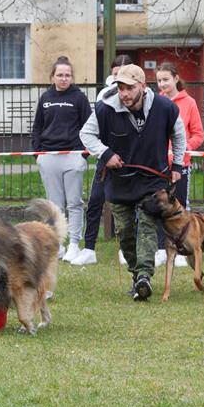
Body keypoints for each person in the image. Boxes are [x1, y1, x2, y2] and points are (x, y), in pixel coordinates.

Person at [80, 64, 186, 301]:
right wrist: (105, 154)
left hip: (152, 179)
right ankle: (137, 276)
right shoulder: (105, 108)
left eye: (130, 88)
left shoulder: (165, 107)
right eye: (121, 88)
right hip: (119, 180)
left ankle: (145, 276)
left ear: (143, 86)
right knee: (125, 231)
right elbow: (85, 134)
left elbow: (179, 135)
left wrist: (177, 165)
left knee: (147, 225)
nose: (125, 93)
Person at [31, 56, 91, 264]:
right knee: (55, 205)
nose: (64, 78)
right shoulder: (45, 97)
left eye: (67, 75)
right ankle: (57, 243)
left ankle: (74, 244)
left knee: (74, 203)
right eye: (60, 75)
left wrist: (83, 154)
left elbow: (89, 126)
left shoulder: (79, 98)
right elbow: (37, 127)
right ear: (52, 77)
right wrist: (38, 153)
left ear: (72, 77)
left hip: (73, 155)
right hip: (48, 157)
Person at [74, 54, 133, 266]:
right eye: (116, 74)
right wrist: (105, 154)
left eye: (125, 74)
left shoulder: (138, 96)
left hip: (129, 159)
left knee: (126, 205)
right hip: (106, 157)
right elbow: (93, 129)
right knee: (95, 201)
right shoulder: (104, 96)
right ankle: (89, 248)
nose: (120, 79)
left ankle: (126, 249)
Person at [154, 62, 204, 268]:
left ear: (176, 78)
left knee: (179, 206)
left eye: (166, 79)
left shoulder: (189, 102)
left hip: (180, 164)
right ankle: (161, 249)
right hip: (159, 165)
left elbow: (198, 134)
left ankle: (181, 248)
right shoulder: (156, 102)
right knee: (159, 206)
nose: (162, 84)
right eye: (159, 80)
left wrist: (183, 148)